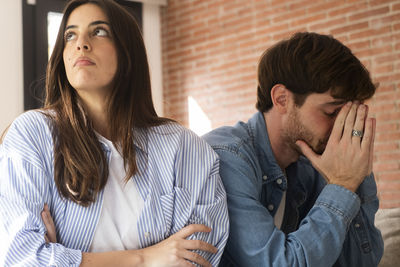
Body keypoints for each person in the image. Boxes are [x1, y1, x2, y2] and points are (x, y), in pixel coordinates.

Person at [0, 0, 228, 266]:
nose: (80, 44)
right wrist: (146, 258)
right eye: (70, 35)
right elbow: (22, 257)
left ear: (127, 50)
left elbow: (200, 257)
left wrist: (64, 256)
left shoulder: (185, 147)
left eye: (98, 32)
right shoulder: (32, 135)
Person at [203, 32, 383, 266]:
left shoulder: (314, 160)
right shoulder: (227, 158)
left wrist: (358, 174)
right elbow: (281, 263)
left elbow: (359, 261)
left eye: (351, 116)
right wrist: (342, 185)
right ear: (281, 99)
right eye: (332, 112)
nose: (343, 128)